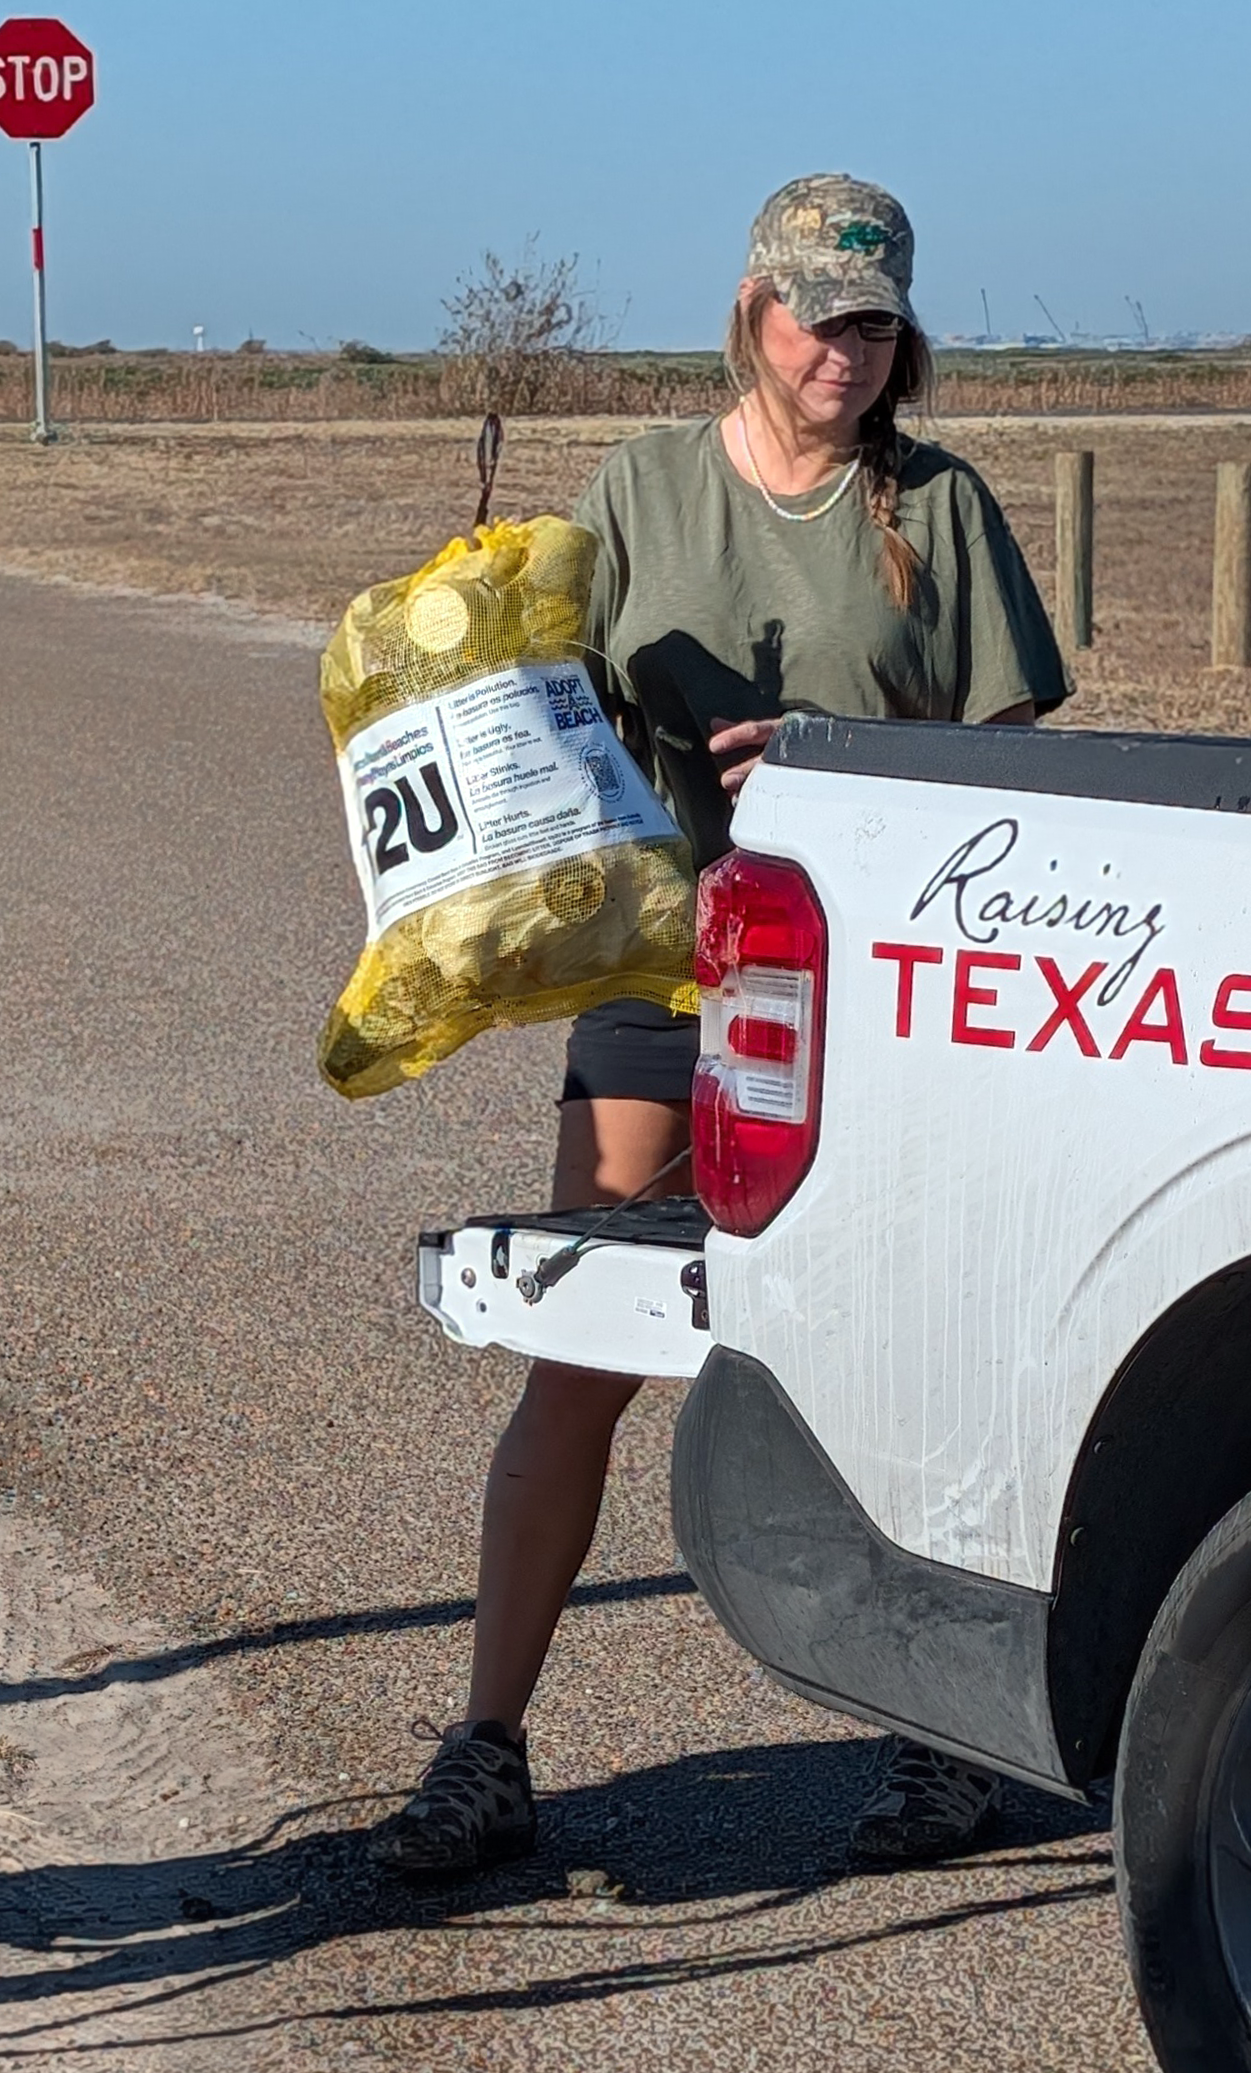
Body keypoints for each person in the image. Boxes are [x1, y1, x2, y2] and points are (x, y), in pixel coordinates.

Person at [366, 174, 1073, 1877]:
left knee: (902, 1358)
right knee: (585, 1344)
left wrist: (845, 764)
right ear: (755, 315)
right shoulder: (644, 489)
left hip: (875, 990)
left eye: (876, 326)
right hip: (675, 975)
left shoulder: (941, 507)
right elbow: (558, 716)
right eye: (821, 321)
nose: (847, 352)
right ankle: (486, 1750)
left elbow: (1019, 776)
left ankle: (946, 1744)